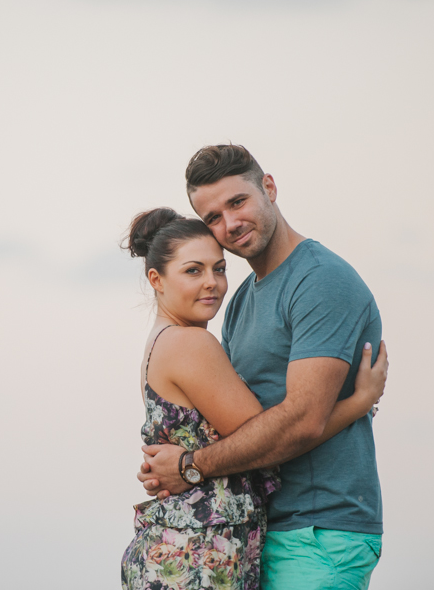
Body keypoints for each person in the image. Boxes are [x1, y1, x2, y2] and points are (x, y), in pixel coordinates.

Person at [138, 145, 387, 589]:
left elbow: (302, 422)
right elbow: (234, 426)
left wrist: (191, 464)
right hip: (258, 530)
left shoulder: (319, 280)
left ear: (269, 188)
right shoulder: (238, 303)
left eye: (238, 202)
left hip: (318, 530)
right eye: (213, 217)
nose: (230, 223)